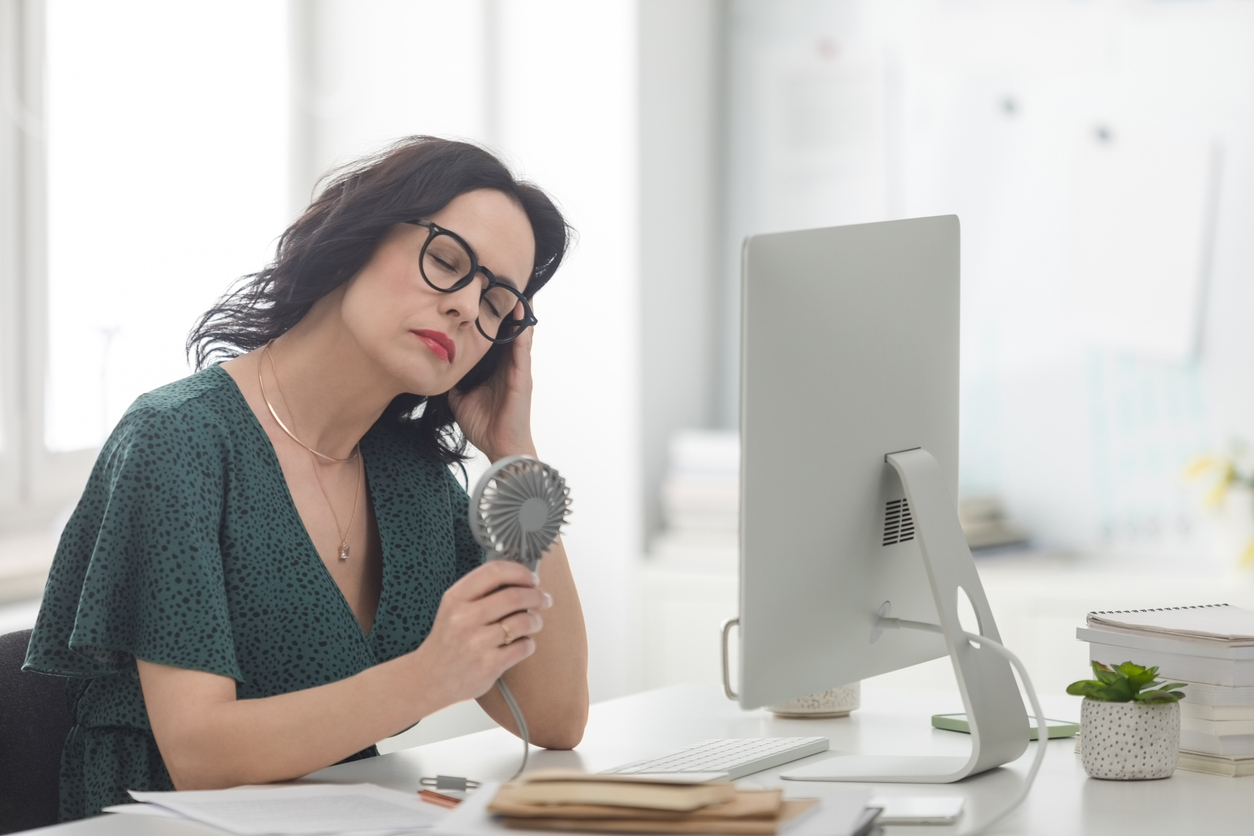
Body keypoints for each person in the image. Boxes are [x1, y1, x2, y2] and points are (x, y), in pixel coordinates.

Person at [23, 136, 589, 821]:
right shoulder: (179, 440)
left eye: (499, 304)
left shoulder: (413, 483)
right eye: (447, 261)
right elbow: (200, 755)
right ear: (362, 234)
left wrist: (513, 453)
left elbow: (555, 717)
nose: (469, 309)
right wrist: (425, 677)